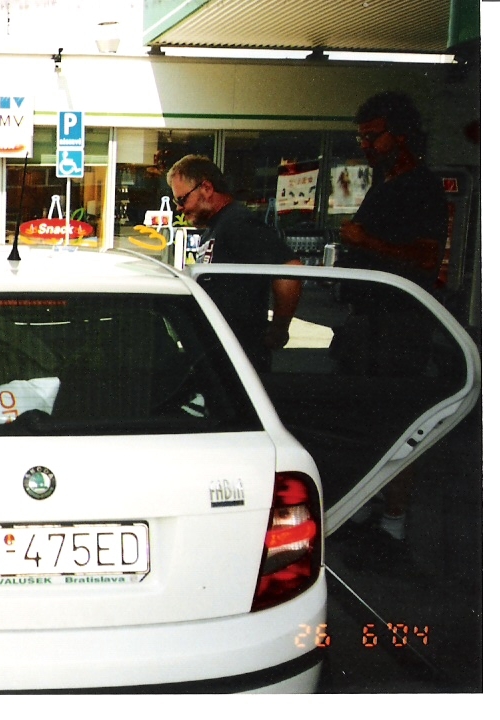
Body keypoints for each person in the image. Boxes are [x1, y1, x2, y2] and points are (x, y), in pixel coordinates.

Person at [334, 92, 449, 560]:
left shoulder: (421, 187)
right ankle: (367, 507)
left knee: (398, 420)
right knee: (364, 418)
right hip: (369, 321)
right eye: (361, 137)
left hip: (400, 325)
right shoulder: (385, 183)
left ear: (401, 135)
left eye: (373, 136)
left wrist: (366, 241)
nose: (366, 145)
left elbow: (425, 258)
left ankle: (393, 525)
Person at [166, 155, 302, 372]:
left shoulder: (238, 223)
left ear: (206, 188)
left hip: (239, 356)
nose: (179, 209)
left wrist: (279, 328)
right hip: (220, 353)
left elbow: (290, 268)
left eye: (182, 200)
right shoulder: (217, 227)